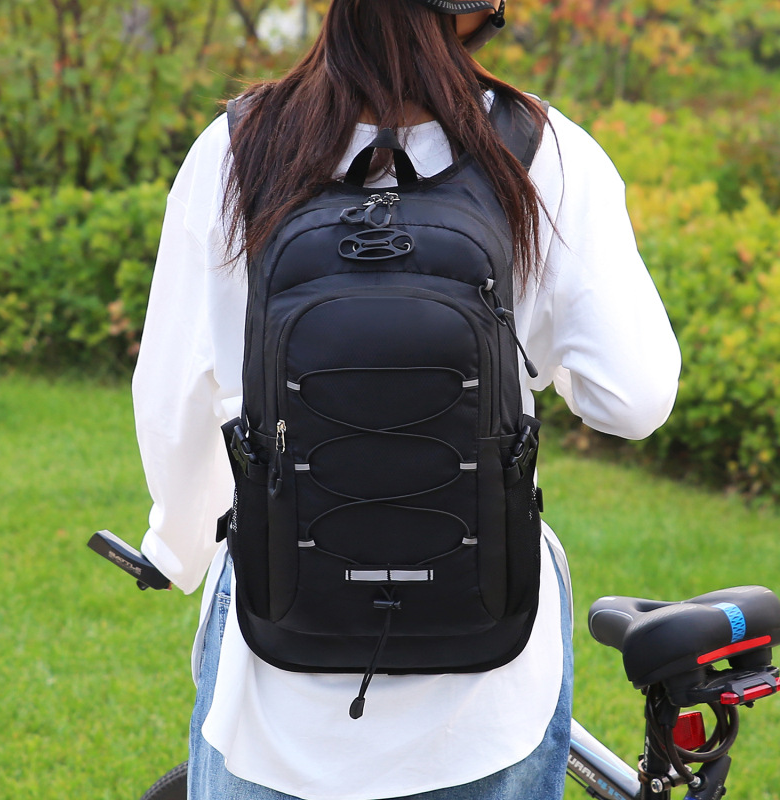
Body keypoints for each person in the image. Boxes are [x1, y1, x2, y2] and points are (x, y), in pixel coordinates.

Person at [132, 0, 681, 797]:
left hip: (279, 674)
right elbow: (634, 399)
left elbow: (175, 398)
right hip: (485, 689)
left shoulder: (238, 148)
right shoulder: (541, 151)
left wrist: (177, 549)